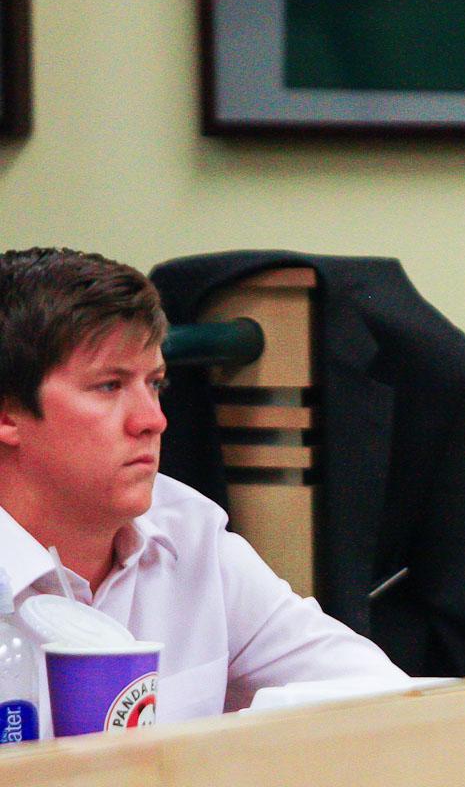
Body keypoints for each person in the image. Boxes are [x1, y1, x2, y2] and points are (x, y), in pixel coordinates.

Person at [0, 247, 404, 728]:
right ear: (7, 415)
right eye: (109, 386)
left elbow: (382, 699)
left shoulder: (189, 535)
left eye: (156, 384)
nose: (153, 420)